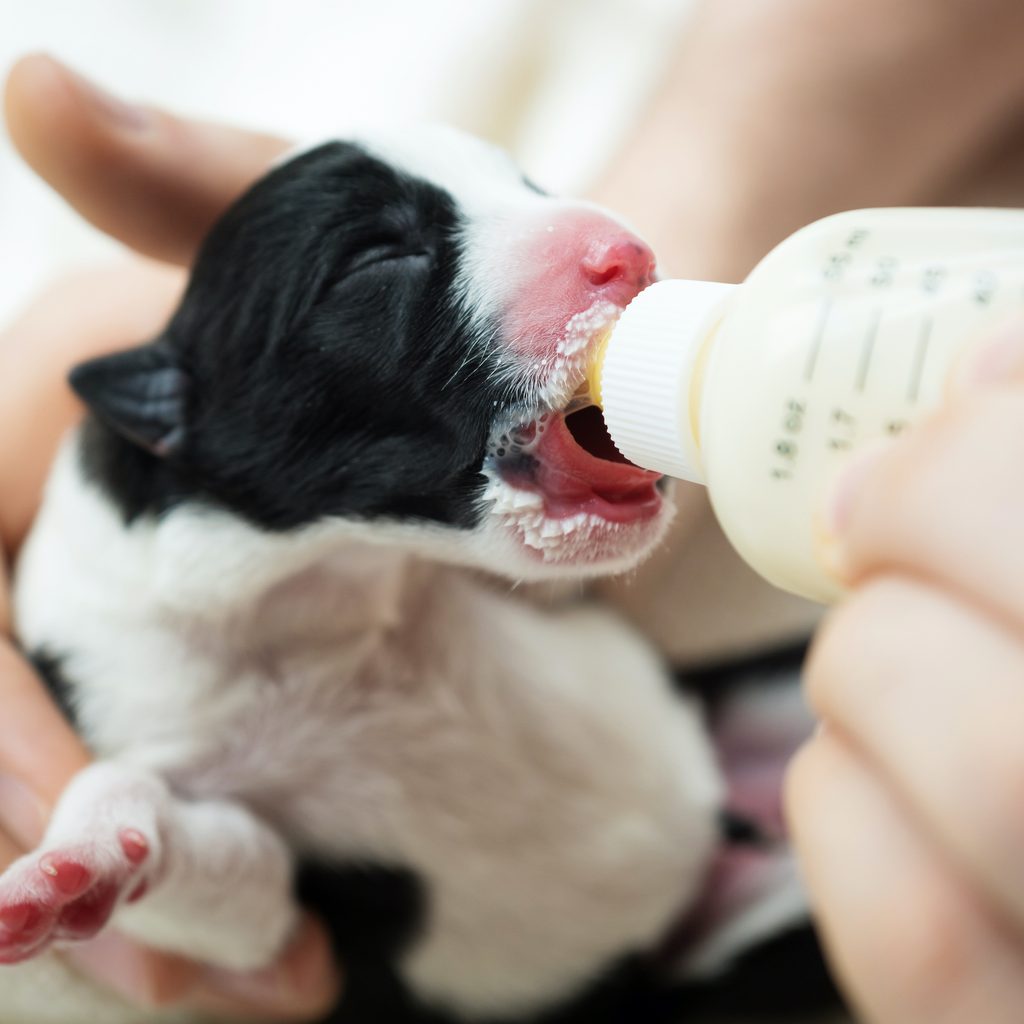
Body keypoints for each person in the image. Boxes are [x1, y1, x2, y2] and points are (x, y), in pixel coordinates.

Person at [2, 0, 1024, 1017]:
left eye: (527, 192)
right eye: (385, 260)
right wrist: (123, 840)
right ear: (164, 404)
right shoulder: (120, 664)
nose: (620, 249)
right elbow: (254, 906)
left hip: (761, 750)